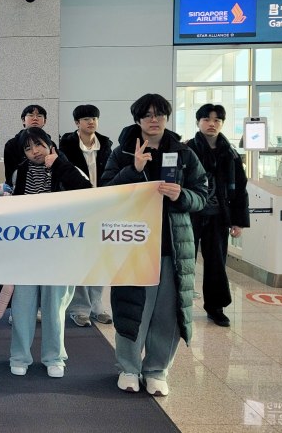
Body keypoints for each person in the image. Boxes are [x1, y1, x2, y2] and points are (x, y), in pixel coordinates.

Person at [101, 93, 207, 397]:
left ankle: (157, 370)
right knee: (132, 309)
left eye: (159, 114)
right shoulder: (122, 152)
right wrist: (133, 170)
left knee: (167, 313)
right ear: (138, 119)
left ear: (166, 117)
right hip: (133, 245)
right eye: (147, 115)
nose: (153, 119)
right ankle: (128, 368)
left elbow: (203, 196)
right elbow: (106, 194)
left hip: (173, 247)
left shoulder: (184, 153)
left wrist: (181, 195)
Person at [9, 128, 92, 378]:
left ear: (49, 144)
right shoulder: (20, 172)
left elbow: (87, 191)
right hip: (26, 251)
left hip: (59, 250)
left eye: (39, 145)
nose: (34, 151)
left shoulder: (67, 167)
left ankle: (54, 357)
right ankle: (19, 356)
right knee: (22, 305)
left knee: (54, 306)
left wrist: (59, 165)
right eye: (28, 148)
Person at [186, 104, 249, 327]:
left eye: (217, 120)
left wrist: (238, 221)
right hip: (190, 214)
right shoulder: (187, 149)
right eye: (206, 119)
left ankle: (216, 308)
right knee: (184, 262)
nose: (211, 124)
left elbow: (240, 188)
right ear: (198, 122)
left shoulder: (230, 153)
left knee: (216, 264)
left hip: (217, 216)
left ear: (222, 124)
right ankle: (179, 307)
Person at [59, 104, 114, 327]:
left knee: (100, 256)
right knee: (80, 256)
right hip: (77, 207)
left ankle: (97, 303)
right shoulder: (65, 146)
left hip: (102, 207)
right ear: (77, 123)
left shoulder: (107, 145)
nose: (91, 122)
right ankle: (80, 307)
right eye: (85, 119)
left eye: (94, 118)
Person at [3, 104, 57, 186]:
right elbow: (10, 175)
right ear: (23, 120)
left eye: (39, 116)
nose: (35, 118)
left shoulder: (51, 143)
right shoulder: (12, 144)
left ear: (45, 121)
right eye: (31, 115)